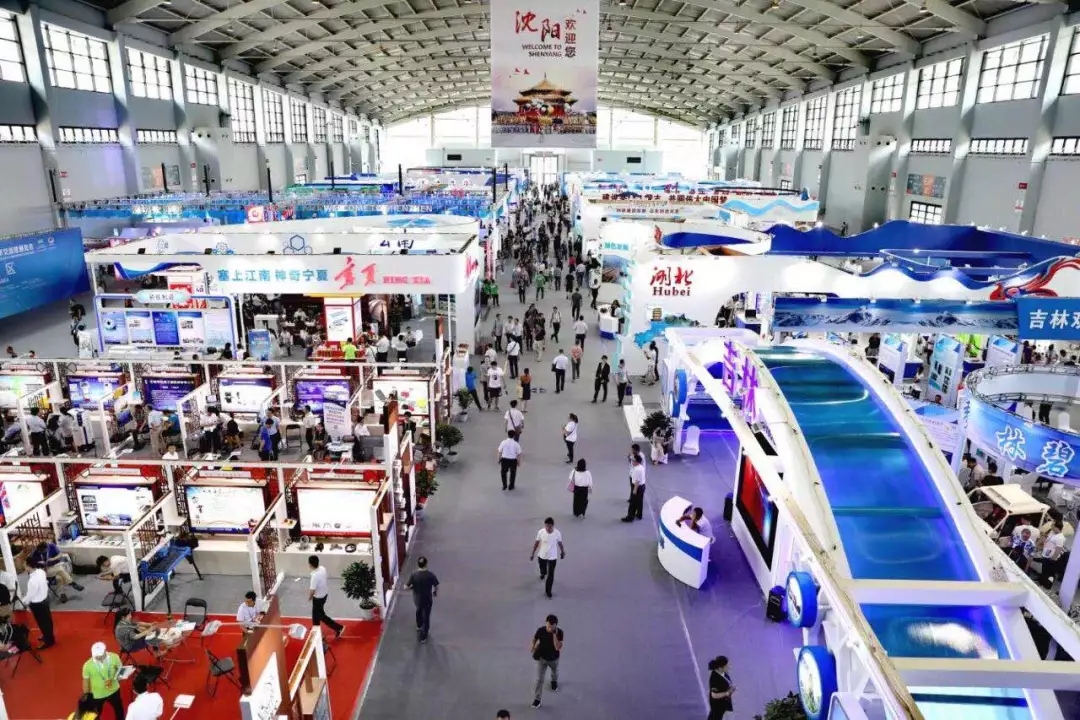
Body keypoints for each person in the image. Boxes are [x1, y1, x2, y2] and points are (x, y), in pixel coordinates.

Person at [530, 614, 564, 708]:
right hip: (542, 658)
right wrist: (533, 646)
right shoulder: (541, 630)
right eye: (548, 626)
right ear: (546, 623)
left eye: (551, 627)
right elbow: (535, 638)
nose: (549, 628)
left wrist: (554, 634)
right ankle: (537, 699)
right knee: (539, 680)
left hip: (553, 659)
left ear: (555, 626)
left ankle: (554, 681)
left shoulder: (559, 633)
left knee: (554, 672)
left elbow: (557, 647)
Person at [82, 642, 123, 719]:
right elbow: (86, 683)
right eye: (97, 656)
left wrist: (119, 677)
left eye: (101, 655)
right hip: (97, 694)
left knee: (118, 708)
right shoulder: (87, 666)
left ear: (105, 650)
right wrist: (87, 696)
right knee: (95, 714)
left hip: (114, 690)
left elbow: (120, 670)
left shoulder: (115, 657)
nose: (99, 657)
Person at [20, 559, 54, 648]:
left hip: (38, 604)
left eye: (25, 564)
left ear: (28, 566)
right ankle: (48, 637)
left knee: (42, 623)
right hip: (45, 599)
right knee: (47, 621)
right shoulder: (40, 571)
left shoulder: (32, 581)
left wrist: (23, 601)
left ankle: (49, 641)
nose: (24, 566)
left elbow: (30, 595)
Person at [404, 556, 439, 643]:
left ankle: (419, 625)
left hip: (417, 599)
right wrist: (435, 592)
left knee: (418, 610)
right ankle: (423, 637)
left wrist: (412, 587)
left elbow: (406, 587)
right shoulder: (430, 575)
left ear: (418, 565)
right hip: (427, 599)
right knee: (426, 617)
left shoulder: (414, 575)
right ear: (426, 564)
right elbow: (436, 585)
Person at [308, 556, 344, 639]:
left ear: (310, 564)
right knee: (315, 614)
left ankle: (339, 628)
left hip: (318, 598)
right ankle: (316, 630)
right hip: (324, 594)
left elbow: (312, 590)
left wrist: (310, 597)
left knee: (321, 616)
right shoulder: (322, 568)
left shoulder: (314, 576)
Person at [530, 518, 565, 599]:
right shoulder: (541, 532)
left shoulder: (557, 533)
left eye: (549, 526)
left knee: (551, 575)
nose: (548, 528)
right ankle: (543, 573)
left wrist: (562, 552)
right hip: (542, 555)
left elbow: (560, 543)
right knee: (543, 569)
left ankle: (548, 591)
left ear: (553, 526)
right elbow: (536, 543)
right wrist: (533, 553)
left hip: (552, 557)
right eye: (546, 526)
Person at [707, 655, 735, 720]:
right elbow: (714, 695)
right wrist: (727, 693)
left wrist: (731, 688)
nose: (728, 667)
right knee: (715, 717)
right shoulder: (714, 678)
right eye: (726, 666)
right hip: (717, 705)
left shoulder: (724, 673)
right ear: (720, 668)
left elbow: (727, 682)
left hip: (722, 704)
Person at [622, 453, 647, 522]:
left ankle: (630, 517)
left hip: (637, 487)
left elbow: (637, 481)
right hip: (642, 486)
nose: (632, 461)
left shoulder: (637, 470)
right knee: (639, 502)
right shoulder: (640, 467)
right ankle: (639, 514)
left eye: (633, 460)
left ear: (637, 462)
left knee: (633, 503)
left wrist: (634, 490)